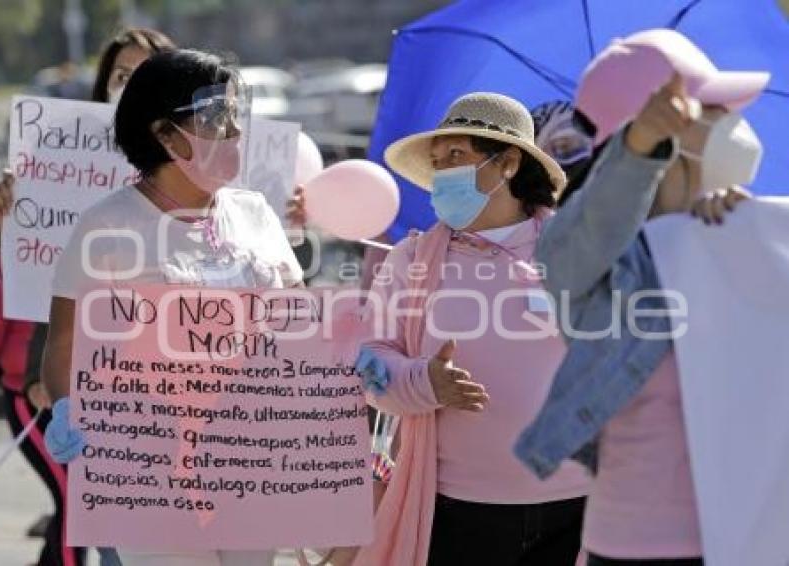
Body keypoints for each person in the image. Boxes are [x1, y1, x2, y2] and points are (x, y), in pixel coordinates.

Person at [515, 29, 769, 566]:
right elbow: (572, 249)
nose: (733, 123)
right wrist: (639, 152)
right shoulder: (598, 266)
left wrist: (745, 237)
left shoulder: (739, 236)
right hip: (636, 547)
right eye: (714, 109)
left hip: (746, 538)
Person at [39, 48, 302, 566]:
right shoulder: (106, 227)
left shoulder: (255, 214)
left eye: (233, 115)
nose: (232, 132)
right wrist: (67, 406)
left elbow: (295, 325)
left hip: (251, 456)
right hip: (151, 467)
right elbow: (65, 344)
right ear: (163, 133)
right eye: (214, 118)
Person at [0, 27, 174, 566]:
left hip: (156, 393)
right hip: (57, 390)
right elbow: (15, 292)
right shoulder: (57, 175)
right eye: (121, 76)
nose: (132, 87)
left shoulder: (199, 182)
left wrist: (292, 218)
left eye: (146, 74)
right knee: (87, 516)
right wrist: (10, 229)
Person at [350, 92, 591, 566]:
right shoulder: (411, 260)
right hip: (456, 508)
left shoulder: (576, 247)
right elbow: (367, 362)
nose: (444, 173)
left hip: (577, 504)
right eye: (438, 162)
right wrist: (424, 381)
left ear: (508, 164)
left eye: (457, 156)